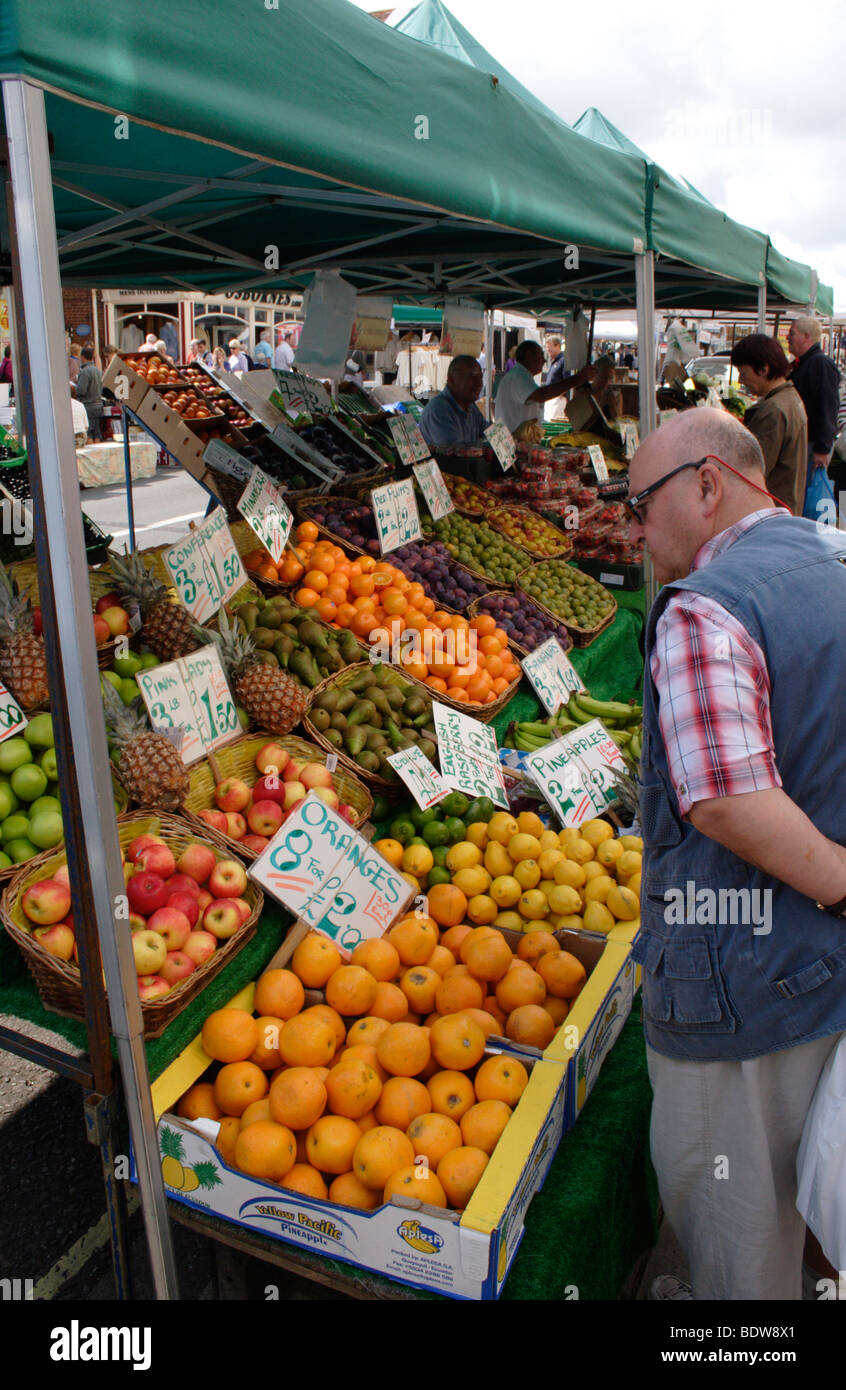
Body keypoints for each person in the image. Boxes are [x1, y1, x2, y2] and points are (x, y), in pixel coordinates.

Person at [625, 407, 846, 1302]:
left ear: (708, 483)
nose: (632, 530)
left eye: (641, 503)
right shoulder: (832, 558)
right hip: (822, 976)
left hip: (739, 988)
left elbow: (724, 800)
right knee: (812, 1195)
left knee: (738, 1251)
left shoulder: (705, 607)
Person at [730, 334, 808, 514]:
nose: (741, 381)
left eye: (743, 373)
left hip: (772, 509)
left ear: (763, 369)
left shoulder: (773, 410)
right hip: (787, 505)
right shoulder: (790, 397)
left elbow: (753, 471)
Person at [787, 316, 840, 503]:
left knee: (807, 495)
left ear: (806, 336)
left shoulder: (820, 364)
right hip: (806, 443)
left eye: (792, 333)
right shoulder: (803, 363)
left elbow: (828, 406)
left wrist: (822, 448)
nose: (787, 337)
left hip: (813, 446)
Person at [494, 340, 592, 434]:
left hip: (520, 441)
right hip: (514, 442)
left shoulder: (521, 375)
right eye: (540, 356)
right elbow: (541, 395)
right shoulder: (517, 377)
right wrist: (578, 379)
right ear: (528, 355)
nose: (544, 360)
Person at [419, 355, 487, 448]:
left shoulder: (470, 406)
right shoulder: (439, 410)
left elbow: (491, 435)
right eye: (471, 376)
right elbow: (457, 454)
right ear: (452, 380)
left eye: (480, 377)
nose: (479, 383)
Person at [565, 353, 621, 430]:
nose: (606, 382)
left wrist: (612, 406)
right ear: (595, 374)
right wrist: (598, 405)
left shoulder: (616, 396)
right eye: (603, 377)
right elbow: (579, 425)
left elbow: (618, 426)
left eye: (610, 378)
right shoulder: (582, 392)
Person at [72, 345, 104, 442]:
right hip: (99, 404)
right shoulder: (98, 371)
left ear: (83, 357)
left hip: (88, 405)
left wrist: (74, 387)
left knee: (89, 433)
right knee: (97, 432)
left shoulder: (85, 372)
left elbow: (81, 390)